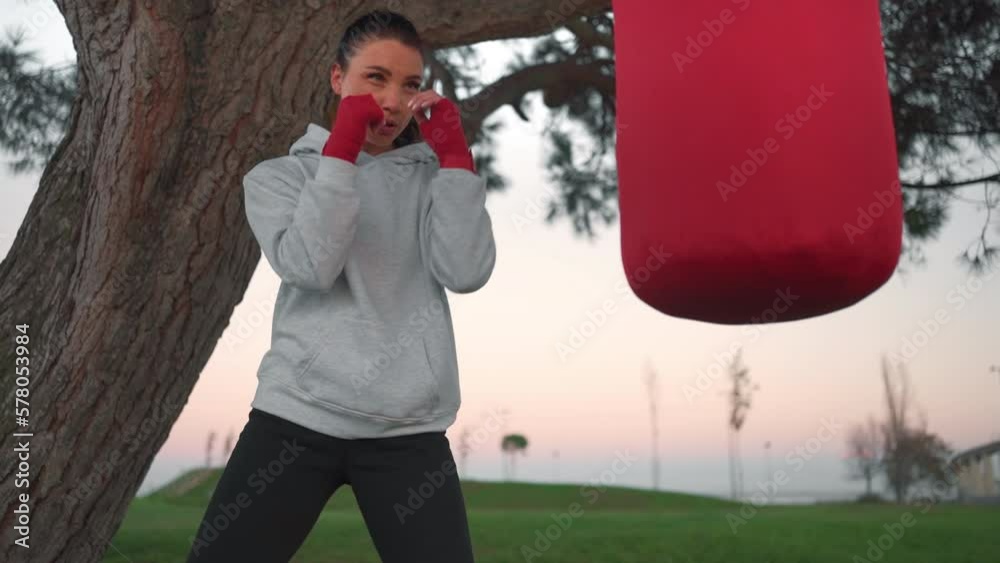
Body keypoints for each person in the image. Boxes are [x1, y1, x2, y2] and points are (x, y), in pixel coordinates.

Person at [185, 9, 495, 563]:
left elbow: (466, 272)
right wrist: (341, 154)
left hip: (408, 431)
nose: (393, 101)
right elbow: (310, 267)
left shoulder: (437, 179)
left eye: (410, 85)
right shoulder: (279, 178)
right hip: (295, 419)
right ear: (337, 78)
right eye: (376, 78)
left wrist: (454, 161)